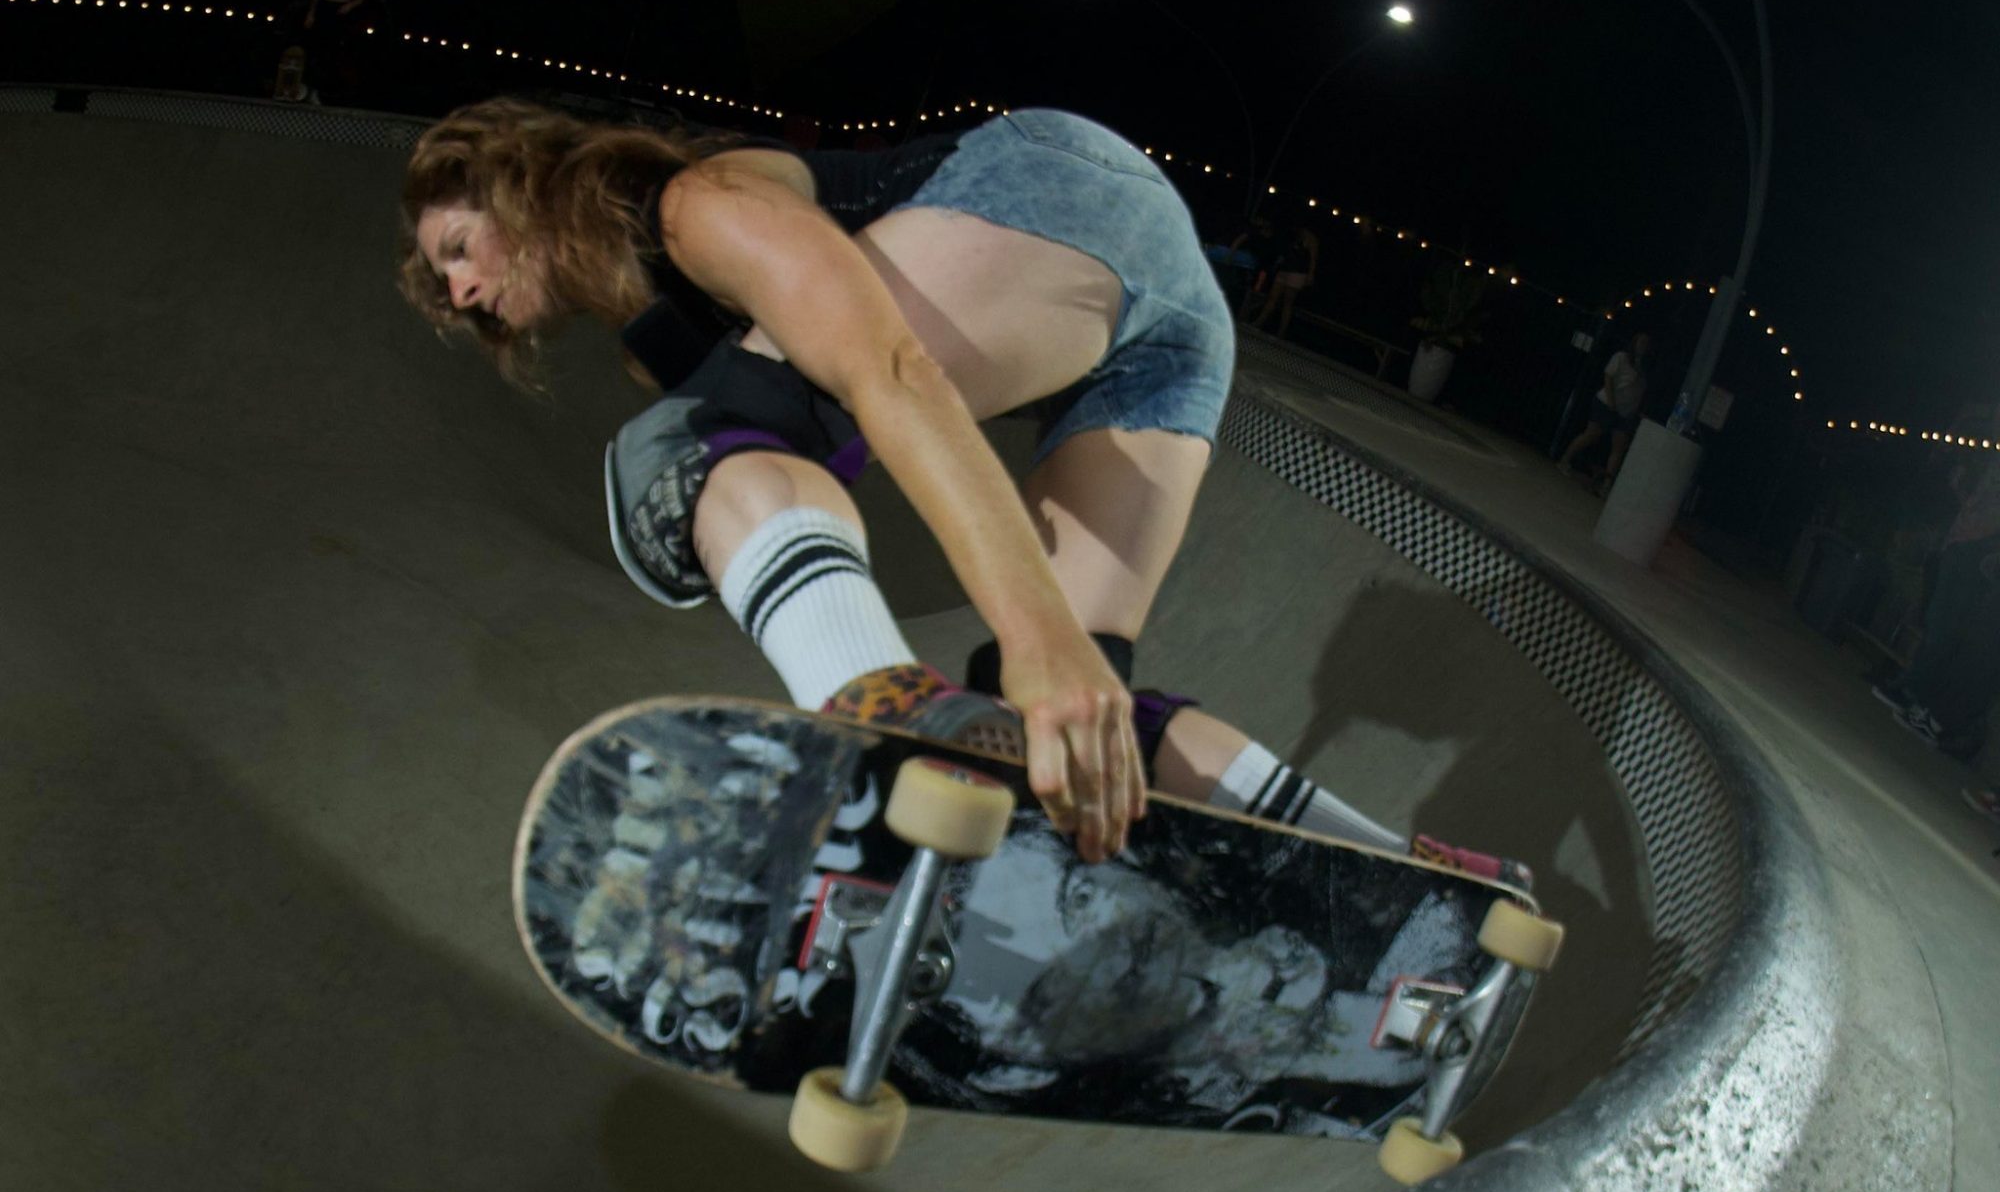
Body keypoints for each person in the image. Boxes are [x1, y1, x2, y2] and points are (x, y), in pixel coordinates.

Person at [397, 99, 1505, 876]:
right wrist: (1054, 660)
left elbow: (891, 371)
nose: (459, 291)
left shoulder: (702, 203)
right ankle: (1409, 879)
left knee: (681, 454)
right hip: (1165, 329)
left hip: (1057, 195)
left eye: (456, 247)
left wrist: (1035, 636)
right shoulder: (670, 323)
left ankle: (880, 707)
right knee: (1069, 721)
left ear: (517, 189)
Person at [1874, 444, 2000, 753]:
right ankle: (1917, 693)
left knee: (1953, 630)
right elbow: (1976, 498)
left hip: (1979, 548)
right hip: (1964, 542)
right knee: (1941, 622)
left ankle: (1921, 699)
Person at [1558, 332, 1653, 485]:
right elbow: (1608, 376)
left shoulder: (1642, 368)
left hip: (1625, 412)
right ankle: (1565, 460)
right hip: (1607, 403)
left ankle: (1606, 484)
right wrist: (1610, 400)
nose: (1643, 346)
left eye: (1646, 344)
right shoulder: (1621, 357)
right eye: (1641, 342)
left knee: (1618, 447)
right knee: (1591, 435)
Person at [1248, 219, 1318, 338]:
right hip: (1285, 269)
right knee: (1272, 298)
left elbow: (1313, 258)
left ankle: (1281, 332)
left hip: (1297, 273)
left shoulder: (1311, 239)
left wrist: (1310, 274)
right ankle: (1258, 322)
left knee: (1287, 303)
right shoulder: (1292, 236)